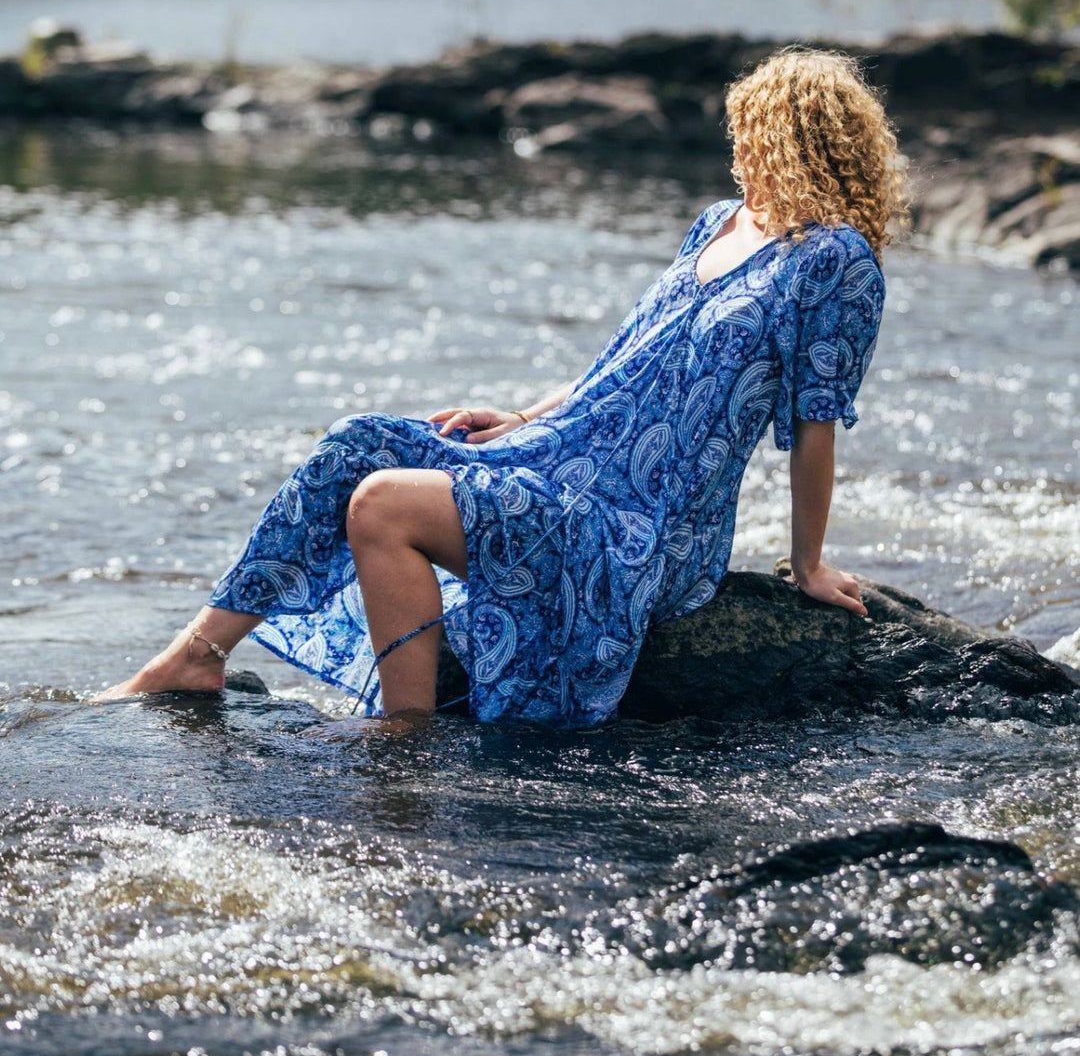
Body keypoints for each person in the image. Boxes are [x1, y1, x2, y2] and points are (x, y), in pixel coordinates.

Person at [97, 47, 906, 725]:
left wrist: (807, 565)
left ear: (783, 137)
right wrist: (520, 416)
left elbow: (816, 422)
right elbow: (624, 363)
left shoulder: (836, 263)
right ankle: (195, 656)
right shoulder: (718, 223)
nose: (737, 151)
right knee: (359, 443)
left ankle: (403, 740)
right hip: (562, 454)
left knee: (383, 503)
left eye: (747, 133)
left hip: (639, 521)